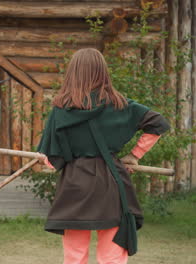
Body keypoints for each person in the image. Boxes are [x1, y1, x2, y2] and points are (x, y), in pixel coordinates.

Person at [37, 48, 170, 264]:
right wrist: (134, 155)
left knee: (75, 257)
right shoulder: (120, 105)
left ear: (73, 73)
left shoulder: (61, 110)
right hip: (111, 186)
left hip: (74, 187)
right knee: (112, 258)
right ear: (103, 72)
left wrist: (43, 158)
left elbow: (53, 161)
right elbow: (159, 124)